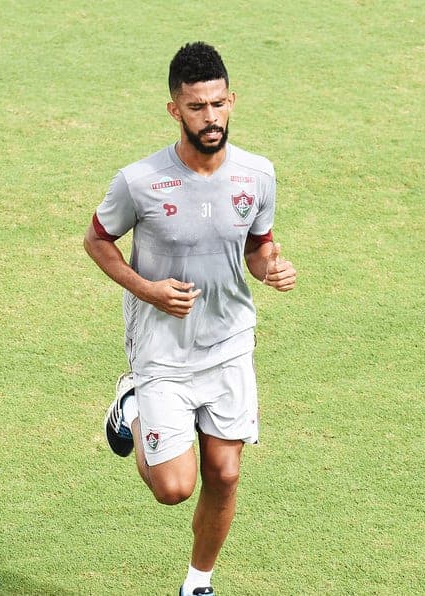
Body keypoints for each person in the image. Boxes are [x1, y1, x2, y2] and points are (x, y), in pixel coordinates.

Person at [84, 41, 296, 596]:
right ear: (175, 109)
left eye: (219, 104)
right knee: (174, 488)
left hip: (229, 342)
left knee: (225, 475)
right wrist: (147, 289)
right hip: (161, 351)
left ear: (232, 101)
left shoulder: (258, 174)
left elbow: (258, 245)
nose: (211, 118)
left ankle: (197, 584)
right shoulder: (139, 180)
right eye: (197, 107)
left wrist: (271, 266)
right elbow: (98, 240)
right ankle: (130, 402)